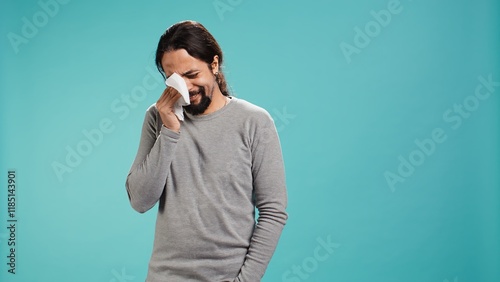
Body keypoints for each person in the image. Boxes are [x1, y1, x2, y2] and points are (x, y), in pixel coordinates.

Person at [125, 20, 288, 282]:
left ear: (214, 65)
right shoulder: (158, 117)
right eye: (174, 80)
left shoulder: (254, 121)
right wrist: (169, 131)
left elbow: (273, 212)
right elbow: (140, 201)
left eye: (192, 75)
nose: (186, 89)